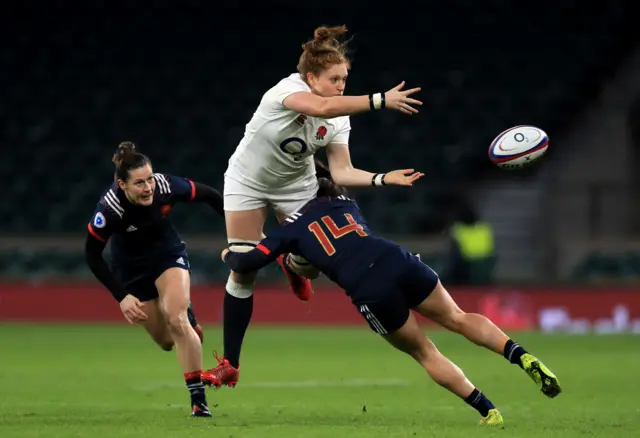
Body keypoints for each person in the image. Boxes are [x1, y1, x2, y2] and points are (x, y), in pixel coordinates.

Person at [203, 177, 562, 426]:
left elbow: (249, 262)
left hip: (367, 286)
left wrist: (230, 255)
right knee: (457, 316)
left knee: (425, 352)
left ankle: (488, 410)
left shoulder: (289, 230)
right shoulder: (346, 202)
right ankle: (520, 354)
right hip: (394, 257)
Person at [219, 24, 424, 381]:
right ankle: (231, 364)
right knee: (243, 269)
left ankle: (293, 262)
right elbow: (321, 106)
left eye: (345, 79)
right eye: (334, 79)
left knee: (311, 266)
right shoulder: (287, 90)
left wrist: (382, 177)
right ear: (311, 77)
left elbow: (341, 172)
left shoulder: (339, 115)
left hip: (298, 186)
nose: (341, 86)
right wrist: (379, 100)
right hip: (247, 182)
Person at [85, 142, 225, 417]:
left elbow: (209, 195)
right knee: (166, 341)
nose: (148, 187)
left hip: (167, 255)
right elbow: (92, 255)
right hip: (131, 271)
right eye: (139, 183)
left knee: (176, 319)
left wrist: (237, 232)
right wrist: (121, 297)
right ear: (123, 185)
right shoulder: (109, 209)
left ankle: (198, 401)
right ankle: (188, 318)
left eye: (149, 178)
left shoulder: (165, 186)